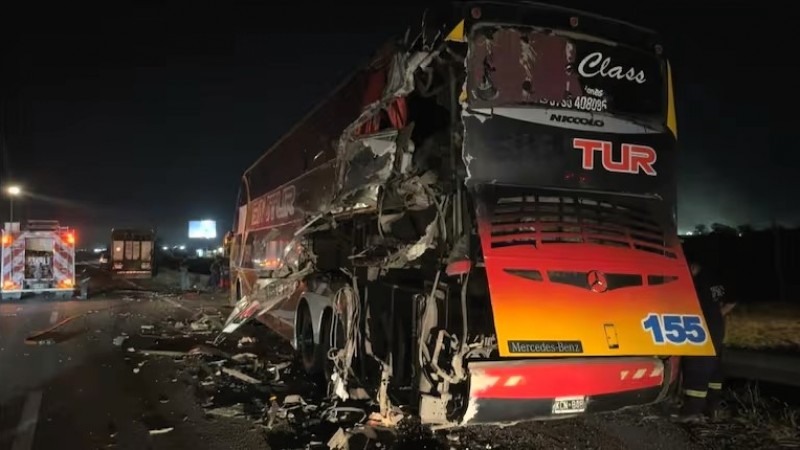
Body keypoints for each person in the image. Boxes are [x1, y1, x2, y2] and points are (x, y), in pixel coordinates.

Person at [673, 255, 737, 422]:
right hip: (716, 327)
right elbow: (731, 301)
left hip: (701, 328)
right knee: (714, 369)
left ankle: (691, 411)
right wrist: (716, 315)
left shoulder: (697, 284)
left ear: (692, 267)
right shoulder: (714, 278)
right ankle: (712, 408)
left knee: (697, 367)